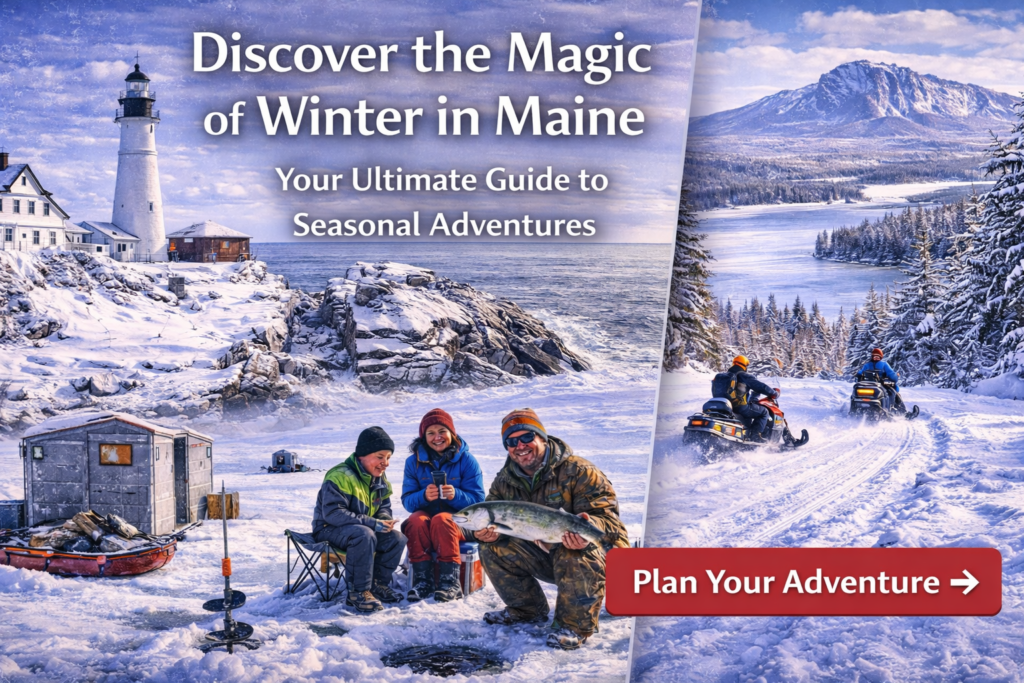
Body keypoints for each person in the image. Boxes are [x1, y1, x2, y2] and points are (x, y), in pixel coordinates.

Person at [473, 408, 630, 651]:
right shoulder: (504, 481)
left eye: (527, 437)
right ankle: (527, 611)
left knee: (573, 550)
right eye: (512, 441)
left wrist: (588, 529)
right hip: (545, 553)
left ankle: (574, 627)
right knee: (491, 546)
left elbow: (610, 521)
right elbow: (494, 521)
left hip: (600, 555)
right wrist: (487, 533)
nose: (520, 446)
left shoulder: (580, 471)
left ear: (542, 439)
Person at [312, 426, 407, 613]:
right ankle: (358, 592)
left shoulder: (379, 478)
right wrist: (372, 523)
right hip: (327, 529)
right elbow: (333, 514)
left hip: (362, 530)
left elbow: (384, 506)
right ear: (362, 455)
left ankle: (377, 584)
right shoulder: (340, 476)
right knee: (364, 535)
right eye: (380, 457)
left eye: (388, 458)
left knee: (397, 538)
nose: (385, 463)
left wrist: (383, 520)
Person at [401, 408, 486, 603]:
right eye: (430, 433)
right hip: (427, 521)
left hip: (462, 522)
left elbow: (479, 502)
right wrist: (424, 496)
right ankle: (423, 581)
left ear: (452, 434)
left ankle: (450, 582)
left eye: (442, 431)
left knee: (442, 519)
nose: (437, 437)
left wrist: (456, 495)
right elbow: (407, 500)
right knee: (415, 520)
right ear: (423, 437)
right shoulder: (412, 462)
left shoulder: (467, 461)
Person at [711, 355, 779, 442]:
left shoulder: (722, 376)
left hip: (722, 406)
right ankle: (755, 437)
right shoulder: (743, 375)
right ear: (744, 365)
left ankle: (746, 432)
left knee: (750, 412)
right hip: (738, 407)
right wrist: (773, 393)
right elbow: (761, 386)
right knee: (764, 412)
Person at [858, 347, 905, 411]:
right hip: (874, 384)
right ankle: (894, 410)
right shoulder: (871, 365)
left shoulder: (879, 364)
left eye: (878, 356)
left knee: (893, 392)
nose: (876, 358)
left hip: (875, 384)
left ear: (880, 357)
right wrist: (858, 375)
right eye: (875, 356)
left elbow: (890, 373)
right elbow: (861, 372)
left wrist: (894, 376)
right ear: (872, 357)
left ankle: (900, 411)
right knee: (892, 392)